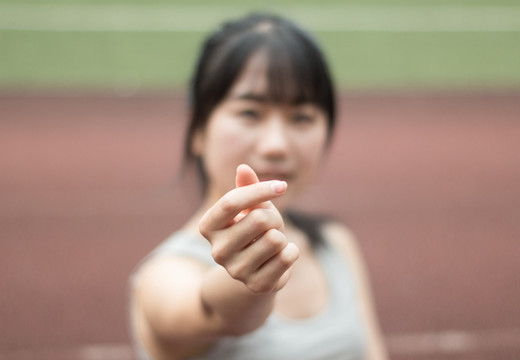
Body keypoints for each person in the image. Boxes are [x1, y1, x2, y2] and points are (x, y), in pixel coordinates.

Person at [129, 13, 388, 360]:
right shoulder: (164, 276)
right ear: (198, 131)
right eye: (250, 113)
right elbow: (213, 310)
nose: (277, 145)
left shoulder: (334, 244)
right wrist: (249, 284)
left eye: (302, 117)